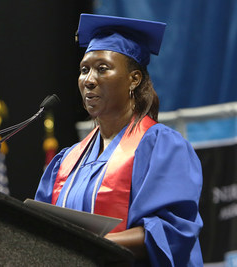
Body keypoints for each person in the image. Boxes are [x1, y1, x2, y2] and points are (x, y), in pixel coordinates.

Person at [35, 13, 203, 266]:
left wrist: (88, 246)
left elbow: (170, 232)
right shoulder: (67, 162)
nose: (89, 80)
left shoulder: (163, 147)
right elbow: (38, 229)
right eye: (84, 70)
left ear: (134, 79)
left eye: (102, 68)